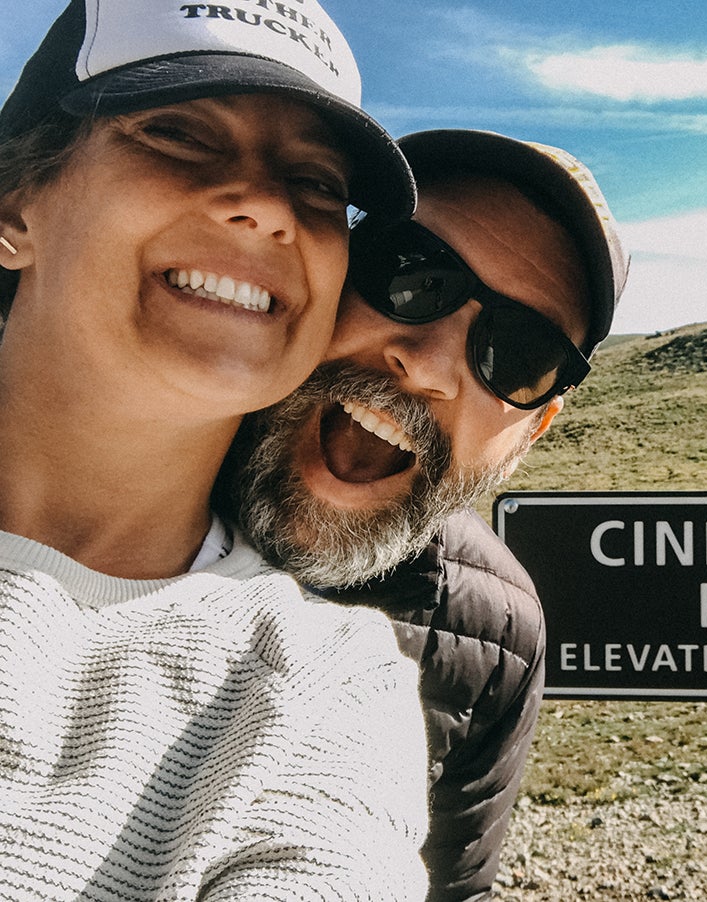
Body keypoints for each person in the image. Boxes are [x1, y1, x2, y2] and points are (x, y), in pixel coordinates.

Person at [0, 1, 429, 898]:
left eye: (317, 184)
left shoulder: (321, 687)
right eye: (179, 134)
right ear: (14, 205)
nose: (268, 207)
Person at [219, 129, 629, 900]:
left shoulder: (497, 635)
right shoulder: (107, 465)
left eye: (518, 352)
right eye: (409, 274)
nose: (431, 363)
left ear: (530, 432)